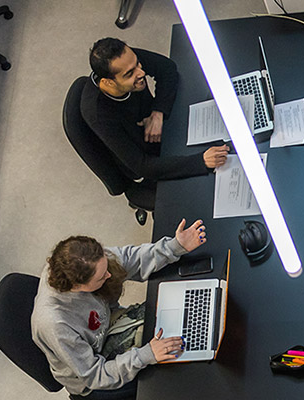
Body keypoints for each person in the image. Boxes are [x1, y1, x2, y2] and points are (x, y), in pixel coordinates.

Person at [30, 219, 207, 396]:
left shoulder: (84, 259)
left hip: (111, 326)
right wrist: (146, 355)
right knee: (177, 378)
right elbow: (95, 376)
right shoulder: (54, 323)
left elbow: (130, 259)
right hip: (94, 380)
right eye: (101, 278)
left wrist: (174, 246)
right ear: (77, 286)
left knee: (182, 324)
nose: (109, 275)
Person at [80, 37, 229, 224]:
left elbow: (167, 68)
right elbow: (141, 165)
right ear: (109, 82)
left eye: (138, 64)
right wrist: (200, 161)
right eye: (130, 74)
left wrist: (158, 112)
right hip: (145, 158)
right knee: (207, 195)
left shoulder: (127, 60)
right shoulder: (99, 114)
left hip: (162, 132)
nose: (141, 72)